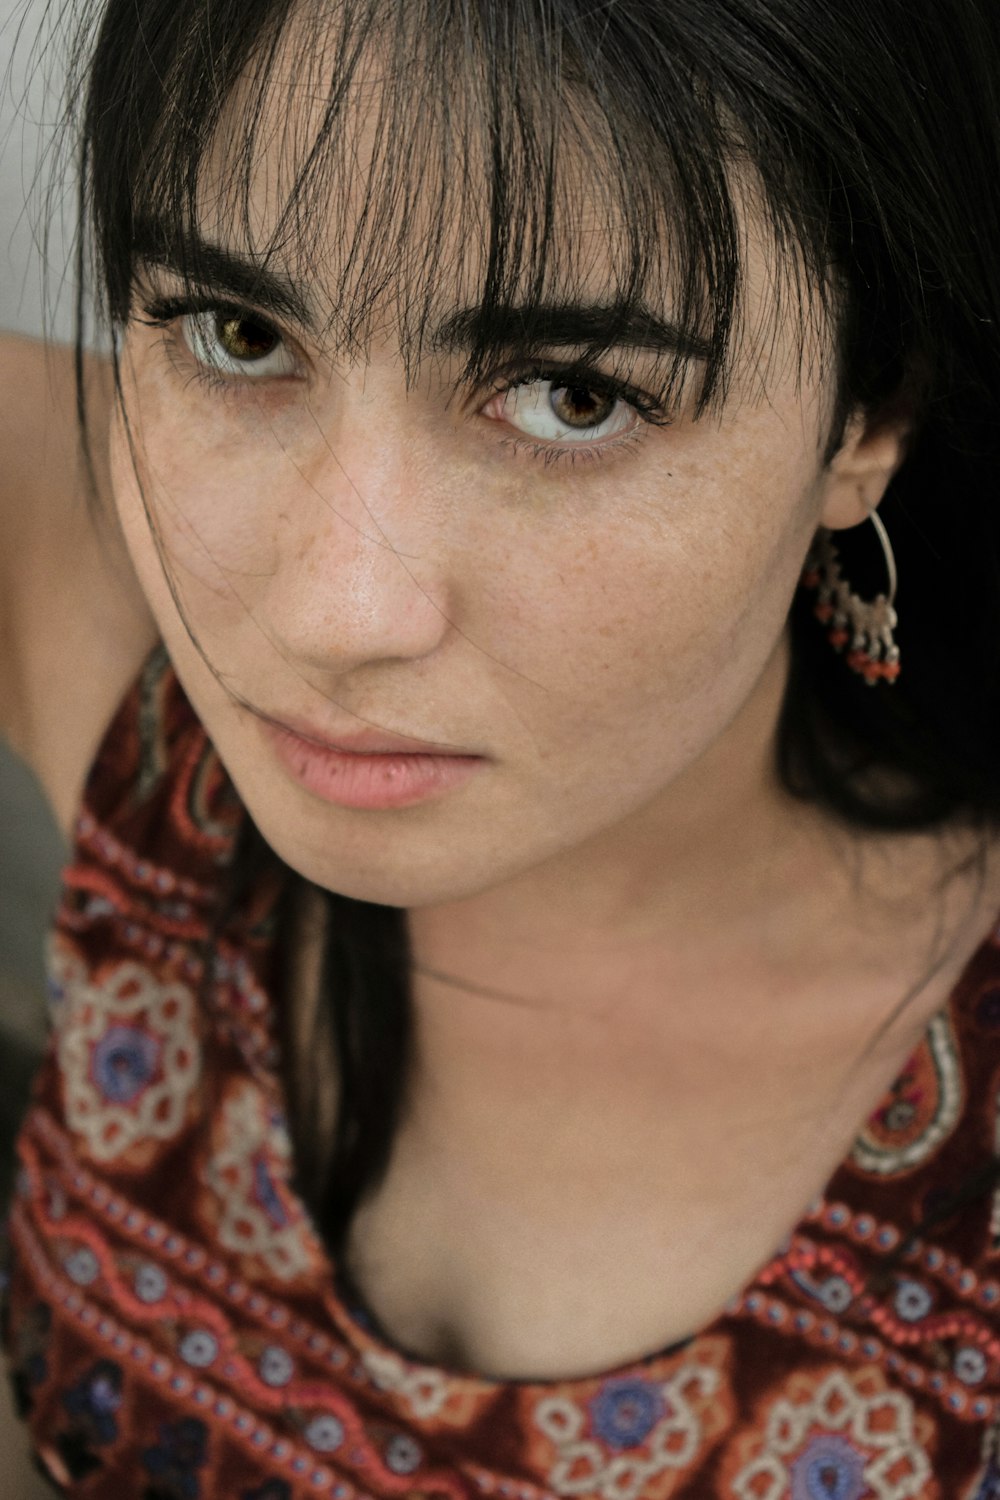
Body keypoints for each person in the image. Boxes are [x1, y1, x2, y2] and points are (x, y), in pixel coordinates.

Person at [2, 0, 1000, 1493]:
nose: (337, 613)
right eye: (243, 332)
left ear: (867, 419)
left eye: (575, 395)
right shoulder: (144, 760)